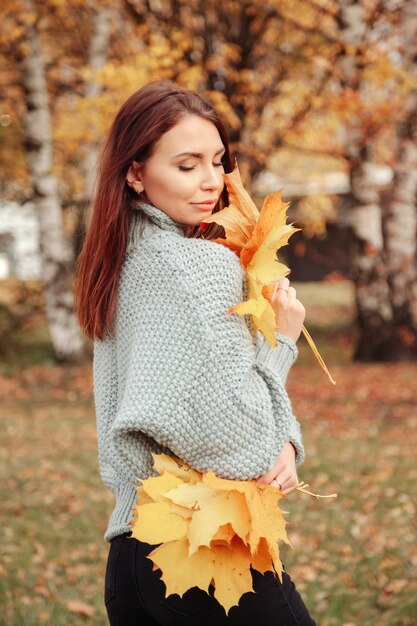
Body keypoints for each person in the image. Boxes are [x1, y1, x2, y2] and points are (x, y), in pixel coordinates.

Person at [75, 80, 315, 626]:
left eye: (217, 161)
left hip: (132, 557)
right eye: (187, 165)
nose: (211, 182)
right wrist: (281, 343)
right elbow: (237, 438)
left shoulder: (117, 262)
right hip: (205, 550)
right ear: (135, 172)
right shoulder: (198, 268)